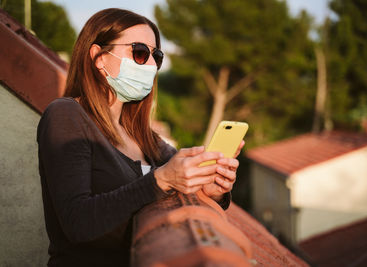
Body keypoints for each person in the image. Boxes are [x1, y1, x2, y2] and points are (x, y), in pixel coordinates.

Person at [37, 8, 244, 267]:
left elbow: (180, 168)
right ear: (99, 57)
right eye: (139, 53)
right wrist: (161, 180)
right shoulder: (66, 115)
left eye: (155, 56)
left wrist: (213, 191)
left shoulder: (143, 136)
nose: (151, 65)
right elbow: (77, 223)